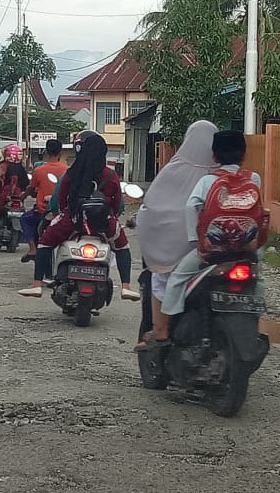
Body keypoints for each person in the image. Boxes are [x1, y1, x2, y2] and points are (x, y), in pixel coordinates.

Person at [139, 130, 262, 347]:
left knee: (176, 278)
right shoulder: (253, 178)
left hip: (214, 249)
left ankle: (163, 331)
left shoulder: (207, 180)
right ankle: (257, 315)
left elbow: (189, 206)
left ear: (214, 155)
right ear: (244, 154)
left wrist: (196, 240)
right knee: (257, 279)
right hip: (245, 248)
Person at [18, 131, 140, 301]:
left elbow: (61, 201)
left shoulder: (72, 172)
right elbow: (117, 204)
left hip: (73, 220)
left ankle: (37, 284)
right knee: (122, 247)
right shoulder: (110, 175)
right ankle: (126, 287)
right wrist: (111, 216)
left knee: (45, 242)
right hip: (103, 222)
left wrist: (63, 214)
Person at [133, 120, 218, 350]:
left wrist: (144, 221)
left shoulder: (173, 168)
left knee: (159, 278)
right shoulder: (223, 175)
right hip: (219, 249)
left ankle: (158, 333)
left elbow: (152, 207)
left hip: (177, 247)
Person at [20, 139, 68, 263]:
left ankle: (32, 248)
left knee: (25, 218)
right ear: (60, 153)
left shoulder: (39, 170)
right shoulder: (68, 170)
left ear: (46, 152)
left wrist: (23, 196)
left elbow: (31, 188)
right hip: (63, 212)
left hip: (42, 211)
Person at [0, 144, 30, 228]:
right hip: (19, 196)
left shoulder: (2, 167)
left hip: (6, 194)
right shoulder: (21, 168)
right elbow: (27, 183)